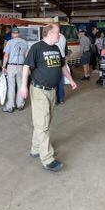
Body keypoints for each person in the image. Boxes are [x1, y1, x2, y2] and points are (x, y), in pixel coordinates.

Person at [21, 23, 78, 172]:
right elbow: (26, 66)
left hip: (51, 91)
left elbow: (62, 66)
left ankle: (35, 148)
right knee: (43, 124)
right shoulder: (37, 48)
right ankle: (47, 159)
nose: (59, 35)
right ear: (49, 33)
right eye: (57, 33)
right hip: (39, 90)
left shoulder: (56, 48)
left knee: (45, 121)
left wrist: (70, 80)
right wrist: (22, 86)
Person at [2, 26, 28, 112]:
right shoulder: (25, 42)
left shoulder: (10, 42)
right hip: (21, 66)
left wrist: (3, 66)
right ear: (19, 33)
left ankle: (10, 106)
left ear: (13, 34)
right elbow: (26, 56)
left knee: (11, 86)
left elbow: (6, 55)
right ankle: (20, 104)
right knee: (21, 85)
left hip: (12, 66)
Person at [55, 31, 68, 105]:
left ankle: (56, 99)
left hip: (55, 57)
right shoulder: (63, 37)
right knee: (61, 79)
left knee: (55, 79)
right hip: (62, 58)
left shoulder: (52, 36)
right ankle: (61, 98)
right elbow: (66, 49)